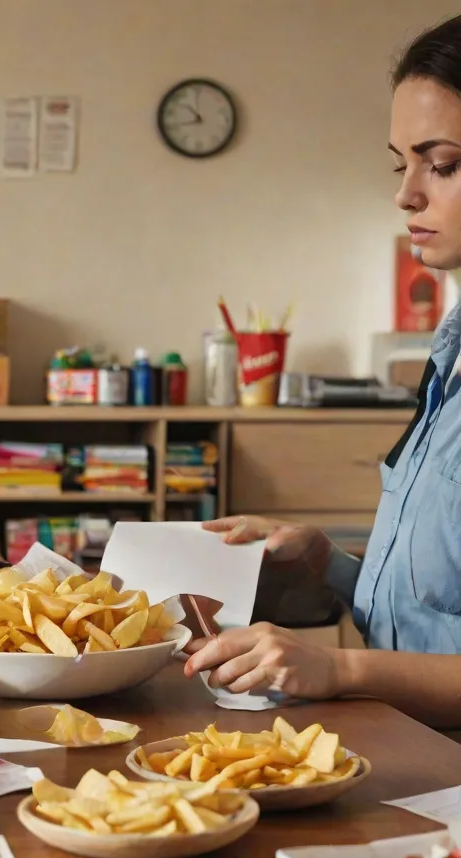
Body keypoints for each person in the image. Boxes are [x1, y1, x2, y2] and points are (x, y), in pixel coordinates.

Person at [185, 15, 461, 729]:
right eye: (400, 163)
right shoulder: (448, 355)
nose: (406, 195)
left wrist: (340, 668)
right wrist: (330, 564)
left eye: (444, 164)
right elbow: (437, 603)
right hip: (415, 750)